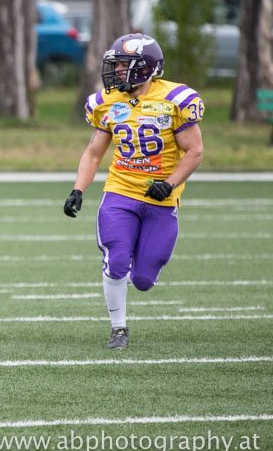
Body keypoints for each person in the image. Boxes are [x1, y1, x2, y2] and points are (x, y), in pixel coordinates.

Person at [63, 33, 204, 350]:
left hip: (161, 199)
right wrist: (78, 189)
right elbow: (94, 153)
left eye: (124, 66)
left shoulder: (174, 100)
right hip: (120, 193)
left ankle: (132, 279)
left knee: (143, 279)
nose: (117, 73)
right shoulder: (108, 103)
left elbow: (194, 151)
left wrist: (169, 183)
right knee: (115, 259)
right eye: (116, 66)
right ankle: (118, 329)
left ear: (147, 68)